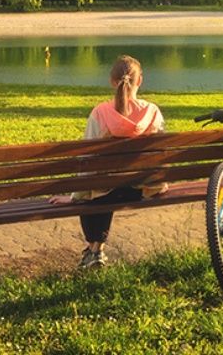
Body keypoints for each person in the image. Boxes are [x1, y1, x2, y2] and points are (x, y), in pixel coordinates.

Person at [51, 54, 165, 269]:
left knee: (94, 193)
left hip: (106, 190)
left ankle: (94, 251)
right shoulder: (152, 112)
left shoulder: (100, 113)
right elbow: (159, 153)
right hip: (143, 188)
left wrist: (75, 197)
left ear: (113, 82)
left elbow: (87, 161)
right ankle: (95, 251)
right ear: (140, 80)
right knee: (106, 188)